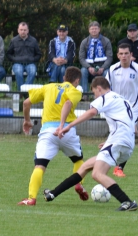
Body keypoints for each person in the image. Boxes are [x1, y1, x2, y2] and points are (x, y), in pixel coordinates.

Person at [43, 76, 138, 211]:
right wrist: (109, 141)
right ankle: (52, 194)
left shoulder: (106, 98)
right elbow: (129, 124)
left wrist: (69, 126)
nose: (95, 96)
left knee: (97, 174)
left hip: (118, 140)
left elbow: (92, 112)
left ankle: (127, 202)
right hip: (126, 142)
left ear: (98, 88)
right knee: (86, 166)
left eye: (94, 93)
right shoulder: (123, 100)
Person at [17, 66, 88, 206]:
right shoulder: (75, 91)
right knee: (79, 161)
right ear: (77, 80)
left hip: (48, 132)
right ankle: (78, 183)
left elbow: (26, 103)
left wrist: (27, 120)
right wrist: (62, 125)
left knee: (40, 166)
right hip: (67, 131)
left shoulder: (48, 87)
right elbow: (67, 102)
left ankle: (31, 198)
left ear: (63, 78)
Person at [106, 43, 138, 177]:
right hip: (115, 108)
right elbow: (106, 89)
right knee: (117, 136)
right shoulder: (112, 69)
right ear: (117, 55)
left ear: (131, 54)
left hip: (132, 109)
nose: (124, 56)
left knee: (129, 134)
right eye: (121, 54)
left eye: (126, 53)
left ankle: (119, 168)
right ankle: (109, 162)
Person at [79, 21, 113, 99]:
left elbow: (110, 57)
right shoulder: (84, 42)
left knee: (106, 72)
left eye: (95, 29)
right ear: (89, 30)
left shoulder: (106, 41)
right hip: (89, 66)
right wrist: (88, 67)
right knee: (83, 71)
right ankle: (85, 95)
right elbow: (81, 58)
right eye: (92, 29)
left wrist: (103, 67)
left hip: (102, 66)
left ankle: (104, 95)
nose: (94, 31)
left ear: (99, 29)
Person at [6, 22, 42, 91]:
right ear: (18, 30)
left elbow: (39, 54)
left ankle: (24, 91)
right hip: (17, 64)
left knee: (33, 71)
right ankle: (22, 92)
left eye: (25, 30)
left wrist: (33, 59)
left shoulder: (33, 41)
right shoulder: (14, 41)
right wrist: (14, 59)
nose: (23, 31)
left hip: (30, 64)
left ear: (28, 30)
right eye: (21, 30)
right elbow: (8, 54)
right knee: (18, 72)